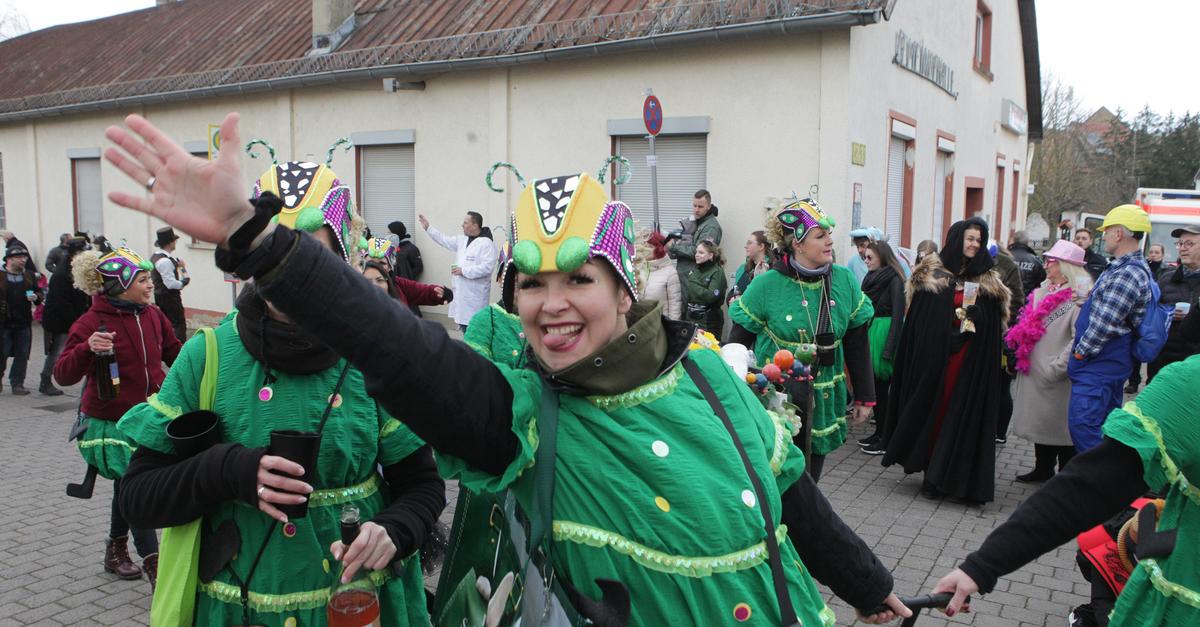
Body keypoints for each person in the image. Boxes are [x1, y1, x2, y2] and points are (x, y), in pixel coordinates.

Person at [102, 112, 912, 625]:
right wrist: (256, 237)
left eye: (577, 278)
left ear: (623, 286)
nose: (551, 303)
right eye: (530, 281)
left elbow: (796, 504)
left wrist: (876, 590)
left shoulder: (709, 374)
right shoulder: (519, 411)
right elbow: (398, 348)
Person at [117, 155, 444, 625]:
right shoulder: (206, 357)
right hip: (236, 611)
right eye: (272, 256)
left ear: (342, 261)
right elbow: (138, 497)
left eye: (311, 258)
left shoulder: (379, 356)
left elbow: (423, 485)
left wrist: (396, 529)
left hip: (356, 608)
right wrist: (226, 470)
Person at [932, 354, 1200, 626]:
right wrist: (982, 567)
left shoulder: (1190, 383)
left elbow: (1088, 486)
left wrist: (982, 567)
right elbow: (1091, 484)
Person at [54, 246, 181, 585]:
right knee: (134, 482)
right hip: (108, 424)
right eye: (143, 280)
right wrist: (86, 348)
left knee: (128, 485)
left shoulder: (153, 316)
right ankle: (156, 566)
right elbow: (63, 374)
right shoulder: (90, 322)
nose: (150, 285)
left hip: (148, 419)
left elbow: (176, 355)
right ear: (119, 285)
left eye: (149, 279)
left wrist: (207, 361)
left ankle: (115, 548)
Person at [729, 197, 877, 483]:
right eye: (820, 236)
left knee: (810, 480)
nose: (829, 242)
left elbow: (858, 343)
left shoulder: (844, 281)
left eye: (829, 235)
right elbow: (737, 343)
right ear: (797, 244)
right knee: (775, 474)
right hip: (776, 399)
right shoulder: (766, 285)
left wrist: (865, 397)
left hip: (821, 397)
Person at [882, 217, 1010, 503]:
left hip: (969, 364)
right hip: (935, 361)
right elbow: (919, 322)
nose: (974, 244)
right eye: (970, 238)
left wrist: (980, 318)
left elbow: (993, 329)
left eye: (979, 240)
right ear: (957, 239)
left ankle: (953, 477)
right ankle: (931, 472)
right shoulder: (932, 275)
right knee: (934, 413)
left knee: (961, 415)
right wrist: (942, 332)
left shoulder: (988, 280)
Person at [1068, 205, 1155, 453]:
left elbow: (1105, 324)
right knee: (1101, 428)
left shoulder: (1127, 272)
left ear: (1118, 234)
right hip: (1105, 364)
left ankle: (1099, 485)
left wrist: (1080, 353)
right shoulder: (1121, 267)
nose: (1103, 237)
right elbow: (1111, 310)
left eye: (1106, 232)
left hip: (1099, 364)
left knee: (1085, 428)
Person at [1006, 240, 1092, 482]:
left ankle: (1065, 477)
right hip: (1035, 370)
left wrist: (1057, 367)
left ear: (1066, 266)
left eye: (1051, 262)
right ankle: (1042, 468)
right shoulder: (1043, 291)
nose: (1046, 266)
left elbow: (1079, 337)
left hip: (1058, 375)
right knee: (1041, 424)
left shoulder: (1079, 297)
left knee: (1061, 430)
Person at [858, 241, 906, 455]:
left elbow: (898, 315)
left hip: (885, 333)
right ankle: (880, 432)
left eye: (870, 257)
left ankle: (885, 437)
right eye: (864, 258)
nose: (866, 261)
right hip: (872, 329)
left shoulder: (894, 279)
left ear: (882, 257)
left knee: (882, 389)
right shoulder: (871, 278)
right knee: (876, 388)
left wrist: (890, 347)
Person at [419, 210, 497, 331]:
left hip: (475, 298)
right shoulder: (462, 240)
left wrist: (463, 271)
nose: (462, 225)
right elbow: (444, 240)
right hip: (462, 297)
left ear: (475, 225)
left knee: (474, 333)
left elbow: (487, 268)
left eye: (465, 223)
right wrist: (429, 228)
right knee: (464, 329)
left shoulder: (486, 244)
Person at [1146, 226, 1200, 382]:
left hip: (1195, 364)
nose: (1182, 248)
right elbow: (1149, 314)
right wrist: (1167, 313)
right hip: (1164, 363)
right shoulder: (1166, 278)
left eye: (1189, 244)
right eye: (1180, 243)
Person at [38, 236, 90, 396]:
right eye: (84, 252)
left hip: (71, 317)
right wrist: (76, 322)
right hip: (60, 321)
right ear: (76, 253)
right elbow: (62, 302)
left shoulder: (74, 269)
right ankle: (45, 380)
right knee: (57, 351)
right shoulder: (62, 273)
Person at [991, 240, 1026, 444]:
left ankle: (1000, 431)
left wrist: (1004, 325)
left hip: (1003, 336)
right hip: (974, 337)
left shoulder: (1007, 265)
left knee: (1002, 386)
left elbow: (1018, 300)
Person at [361, 237, 452, 311]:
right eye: (371, 262)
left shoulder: (399, 284)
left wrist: (439, 293)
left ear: (390, 267)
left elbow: (422, 291)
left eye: (382, 263)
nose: (376, 267)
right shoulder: (354, 286)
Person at [1, 245, 43, 395]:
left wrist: (37, 297)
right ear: (9, 259)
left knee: (22, 355)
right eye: (19, 257)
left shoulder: (29, 276)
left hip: (23, 323)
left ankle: (17, 384)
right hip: (4, 324)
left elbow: (39, 294)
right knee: (2, 354)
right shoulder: (1, 276)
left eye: (24, 257)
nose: (23, 260)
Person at [667, 189, 722, 298]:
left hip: (694, 279)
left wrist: (674, 247)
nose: (696, 210)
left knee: (687, 312)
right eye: (694, 206)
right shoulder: (698, 222)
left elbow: (699, 252)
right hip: (686, 277)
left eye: (700, 207)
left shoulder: (711, 227)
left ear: (708, 206)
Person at [151, 226, 190, 342]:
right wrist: (183, 281)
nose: (175, 243)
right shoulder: (165, 261)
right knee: (178, 325)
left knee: (167, 324)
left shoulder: (157, 256)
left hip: (161, 296)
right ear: (170, 242)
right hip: (169, 297)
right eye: (174, 241)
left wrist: (181, 268)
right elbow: (171, 284)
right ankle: (178, 351)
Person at [684, 239, 727, 335]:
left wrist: (692, 280)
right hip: (691, 318)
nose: (696, 255)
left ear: (711, 255)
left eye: (701, 252)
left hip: (709, 321)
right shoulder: (695, 270)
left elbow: (710, 296)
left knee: (708, 349)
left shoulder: (717, 272)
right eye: (696, 252)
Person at [640, 232, 682, 320]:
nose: (645, 250)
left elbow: (675, 304)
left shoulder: (670, 272)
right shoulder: (639, 268)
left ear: (659, 248)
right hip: (639, 324)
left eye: (650, 247)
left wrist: (672, 328)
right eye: (643, 246)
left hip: (660, 324)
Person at [728, 230, 771, 305]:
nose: (745, 246)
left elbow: (767, 299)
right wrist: (732, 299)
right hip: (739, 315)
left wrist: (741, 301)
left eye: (749, 243)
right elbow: (732, 292)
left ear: (761, 246)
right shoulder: (743, 268)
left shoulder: (771, 269)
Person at [1008, 230, 1047, 297]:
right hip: (1027, 302)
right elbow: (1042, 280)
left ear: (1013, 240)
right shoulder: (1035, 260)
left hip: (1005, 301)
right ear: (1027, 242)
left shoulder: (1004, 257)